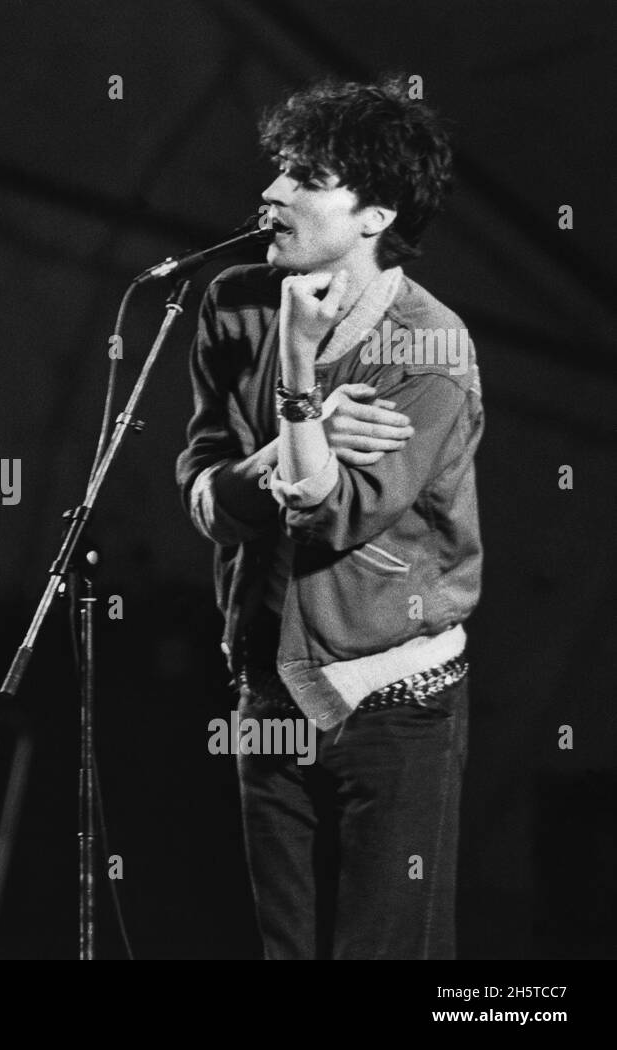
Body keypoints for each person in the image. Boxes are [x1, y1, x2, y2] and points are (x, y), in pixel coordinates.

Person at [176, 77, 479, 959]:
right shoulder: (232, 302)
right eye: (279, 169)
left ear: (376, 214)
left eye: (305, 177)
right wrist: (288, 443)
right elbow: (205, 490)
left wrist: (299, 380)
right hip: (265, 686)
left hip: (392, 700)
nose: (272, 193)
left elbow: (329, 515)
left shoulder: (429, 349)